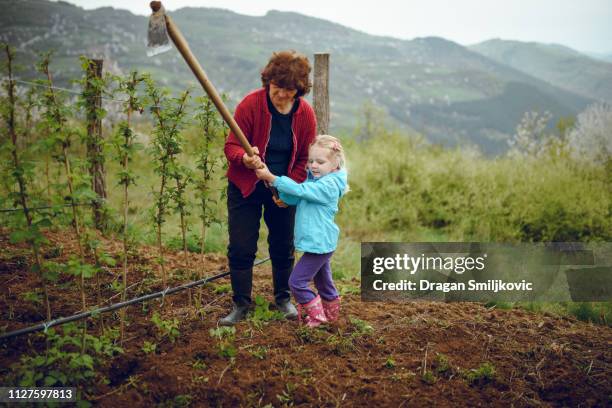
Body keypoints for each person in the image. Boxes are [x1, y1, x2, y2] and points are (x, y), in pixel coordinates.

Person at [220, 50, 317, 325]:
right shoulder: (251, 105)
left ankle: (283, 299)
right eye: (277, 88)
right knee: (241, 246)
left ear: (298, 90)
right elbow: (231, 146)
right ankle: (241, 304)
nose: (282, 95)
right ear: (268, 82)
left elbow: (302, 159)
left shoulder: (305, 114)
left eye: (289, 90)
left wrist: (286, 189)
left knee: (283, 244)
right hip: (245, 185)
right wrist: (245, 159)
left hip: (284, 187)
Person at [255, 135, 348, 327]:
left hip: (319, 242)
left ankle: (317, 317)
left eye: (320, 162)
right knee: (323, 282)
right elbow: (300, 196)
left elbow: (302, 191)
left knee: (296, 282)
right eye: (311, 161)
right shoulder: (318, 180)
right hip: (320, 242)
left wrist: (272, 178)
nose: (314, 165)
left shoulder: (329, 185)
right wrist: (285, 200)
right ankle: (331, 317)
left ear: (335, 164)